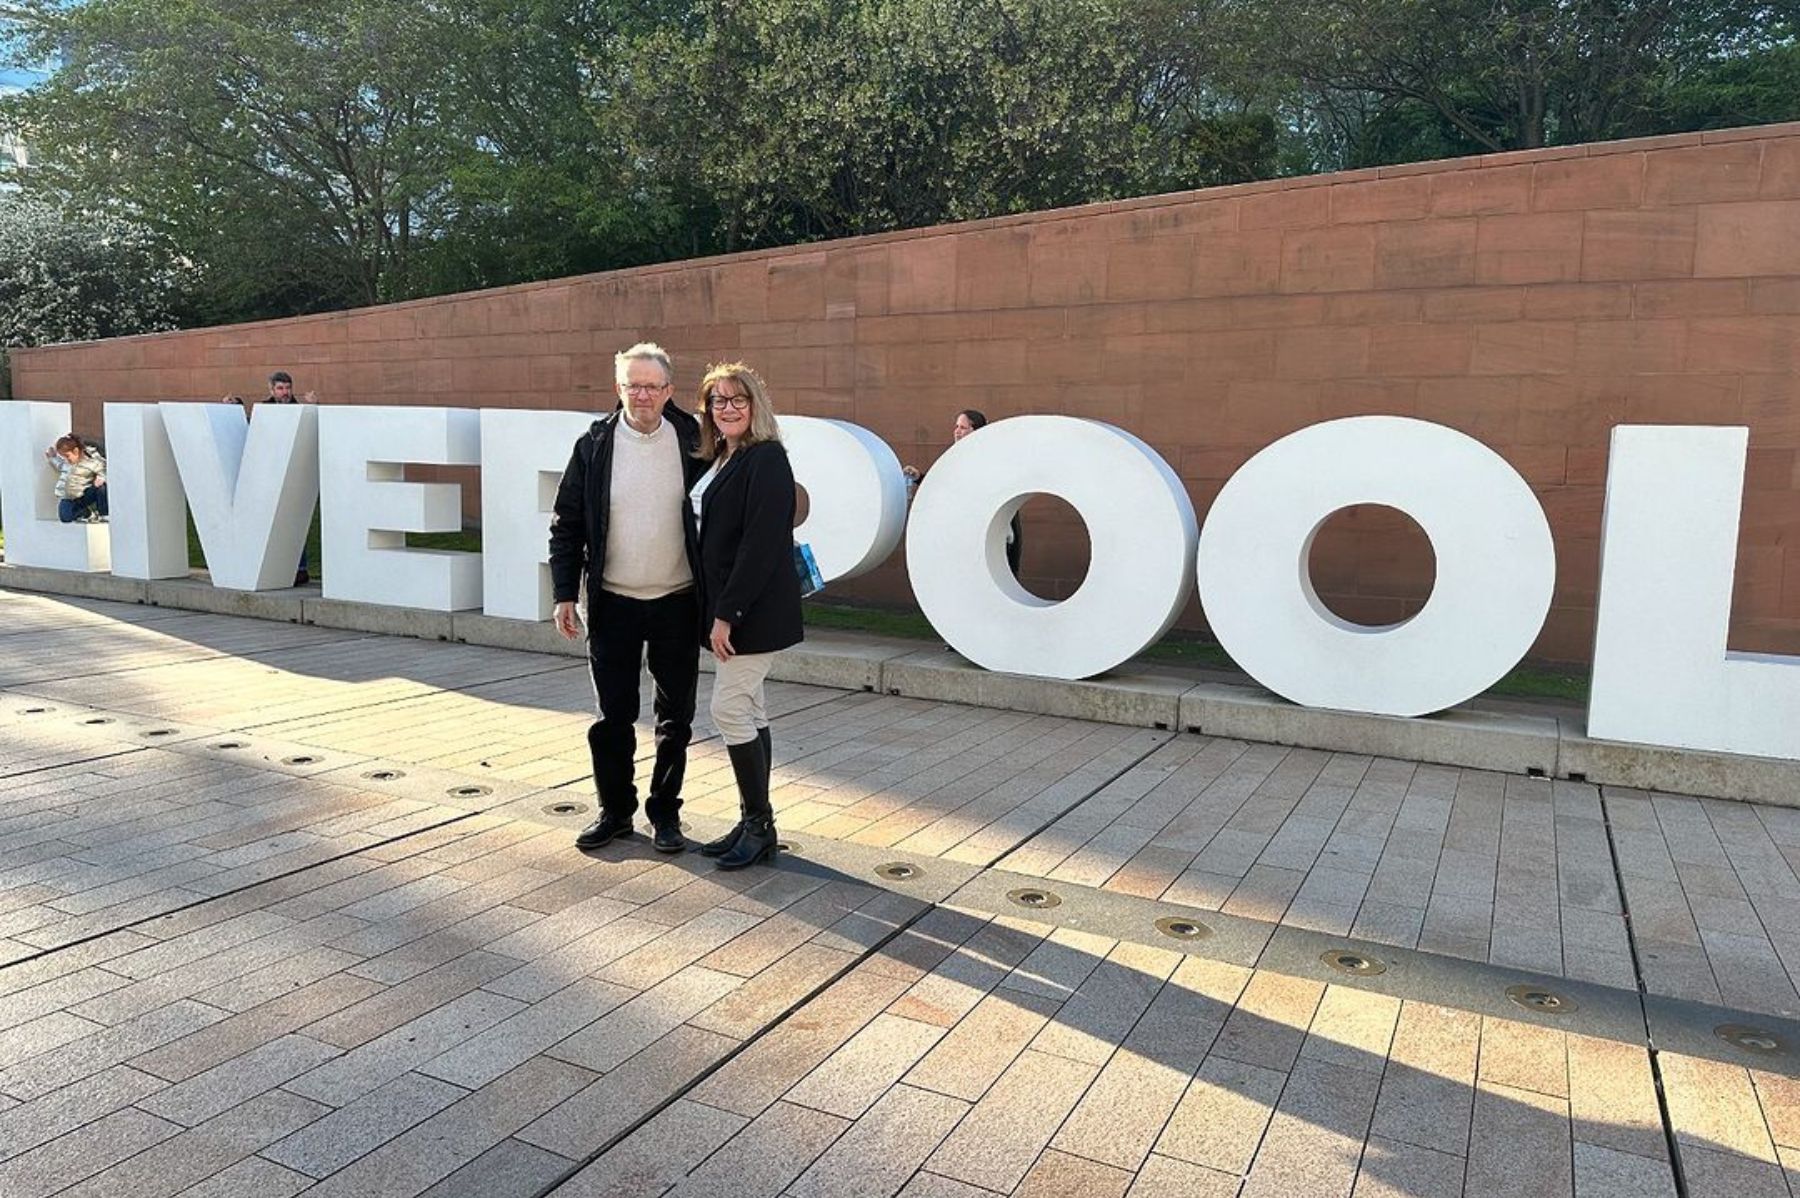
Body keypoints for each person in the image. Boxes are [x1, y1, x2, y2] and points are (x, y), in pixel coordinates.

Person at [549, 343, 706, 855]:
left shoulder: (695, 441)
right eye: (632, 385)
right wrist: (564, 593)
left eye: (652, 386)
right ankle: (615, 812)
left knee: (674, 719)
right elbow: (567, 524)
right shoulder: (593, 445)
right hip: (612, 601)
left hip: (677, 601)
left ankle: (665, 816)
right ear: (618, 389)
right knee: (612, 718)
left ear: (669, 391)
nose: (642, 395)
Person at [689, 362, 804, 871]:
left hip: (751, 612)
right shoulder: (722, 458)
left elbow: (760, 546)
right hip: (733, 609)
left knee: (729, 710)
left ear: (755, 405)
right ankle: (755, 823)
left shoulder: (767, 459)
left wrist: (726, 615)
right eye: (718, 401)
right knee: (750, 710)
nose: (728, 409)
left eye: (738, 400)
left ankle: (758, 824)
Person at [903, 409, 1022, 576]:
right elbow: (942, 486)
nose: (957, 431)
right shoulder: (954, 458)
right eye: (956, 426)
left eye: (963, 427)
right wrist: (918, 477)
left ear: (976, 431)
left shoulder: (990, 458)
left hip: (994, 531)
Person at [258, 371, 318, 585]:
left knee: (295, 524)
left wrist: (313, 408)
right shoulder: (264, 410)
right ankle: (276, 567)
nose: (284, 392)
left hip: (295, 476)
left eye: (287, 388)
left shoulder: (301, 410)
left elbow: (315, 430)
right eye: (280, 388)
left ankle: (300, 569)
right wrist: (232, 407)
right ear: (271, 390)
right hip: (271, 476)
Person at [45, 434, 108, 523]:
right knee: (65, 518)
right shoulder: (66, 464)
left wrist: (101, 477)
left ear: (76, 451)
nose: (66, 460)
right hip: (69, 497)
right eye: (63, 457)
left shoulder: (91, 463)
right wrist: (52, 457)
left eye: (67, 456)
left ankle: (104, 513)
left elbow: (103, 469)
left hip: (83, 495)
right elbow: (59, 465)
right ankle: (86, 513)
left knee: (102, 488)